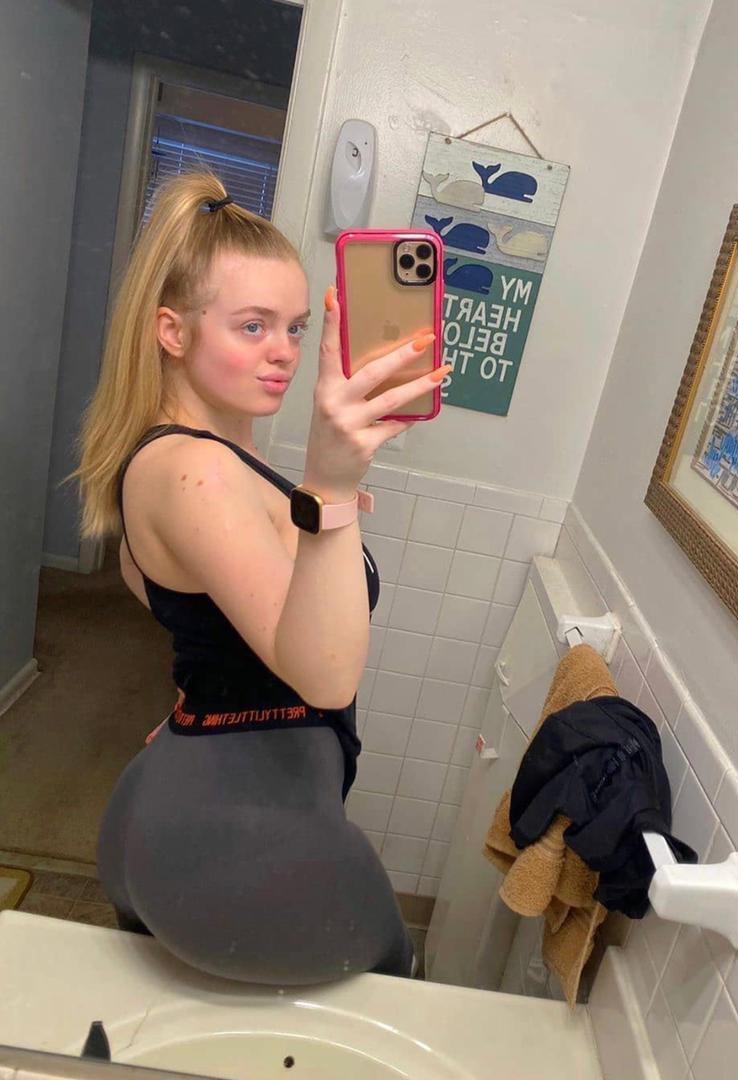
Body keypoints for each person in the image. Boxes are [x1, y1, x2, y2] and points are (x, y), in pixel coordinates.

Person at [74, 171, 450, 984]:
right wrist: (332, 488)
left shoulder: (209, 457)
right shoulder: (195, 472)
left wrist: (210, 696)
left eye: (295, 327)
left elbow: (212, 631)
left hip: (198, 798)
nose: (283, 352)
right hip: (235, 837)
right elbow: (326, 676)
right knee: (397, 986)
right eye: (252, 326)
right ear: (172, 332)